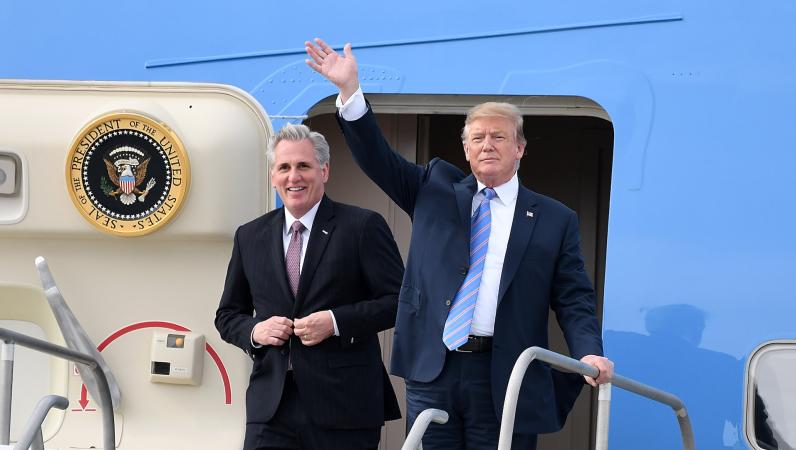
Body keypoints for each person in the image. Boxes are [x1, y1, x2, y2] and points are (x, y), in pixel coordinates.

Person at [305, 38, 614, 449]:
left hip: (506, 373)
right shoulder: (433, 187)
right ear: (466, 149)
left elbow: (575, 298)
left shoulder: (555, 218)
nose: (488, 144)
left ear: (520, 148)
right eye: (479, 137)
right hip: (436, 369)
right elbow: (377, 157)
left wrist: (589, 352)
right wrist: (349, 91)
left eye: (499, 137)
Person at [214, 123, 403, 450]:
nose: (293, 176)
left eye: (303, 166)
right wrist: (256, 331)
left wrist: (335, 322)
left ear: (324, 170)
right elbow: (228, 314)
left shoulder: (362, 226)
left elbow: (400, 301)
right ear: (273, 176)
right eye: (284, 167)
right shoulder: (250, 235)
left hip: (344, 406)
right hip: (271, 407)